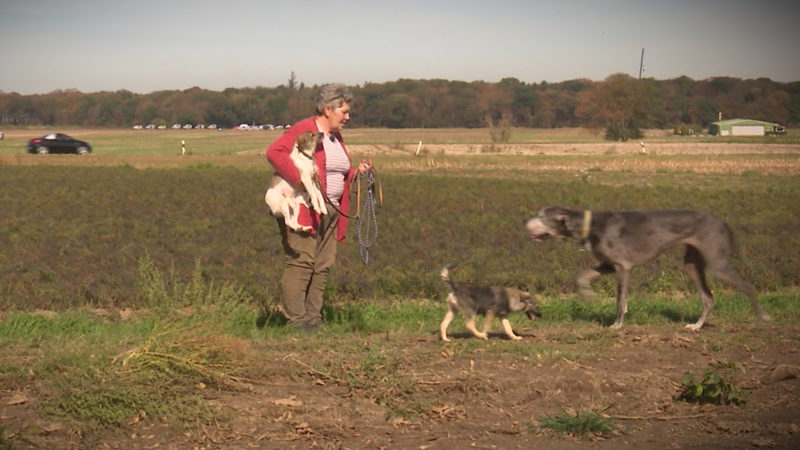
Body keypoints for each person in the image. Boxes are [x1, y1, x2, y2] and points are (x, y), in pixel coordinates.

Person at [266, 83, 371, 333]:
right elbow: (274, 152)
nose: (348, 117)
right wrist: (299, 181)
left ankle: (312, 319)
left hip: (331, 210)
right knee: (301, 262)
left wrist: (357, 174)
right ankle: (295, 321)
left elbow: (334, 173)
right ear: (327, 109)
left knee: (322, 265)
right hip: (304, 209)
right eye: (343, 112)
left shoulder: (335, 137)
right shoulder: (305, 129)